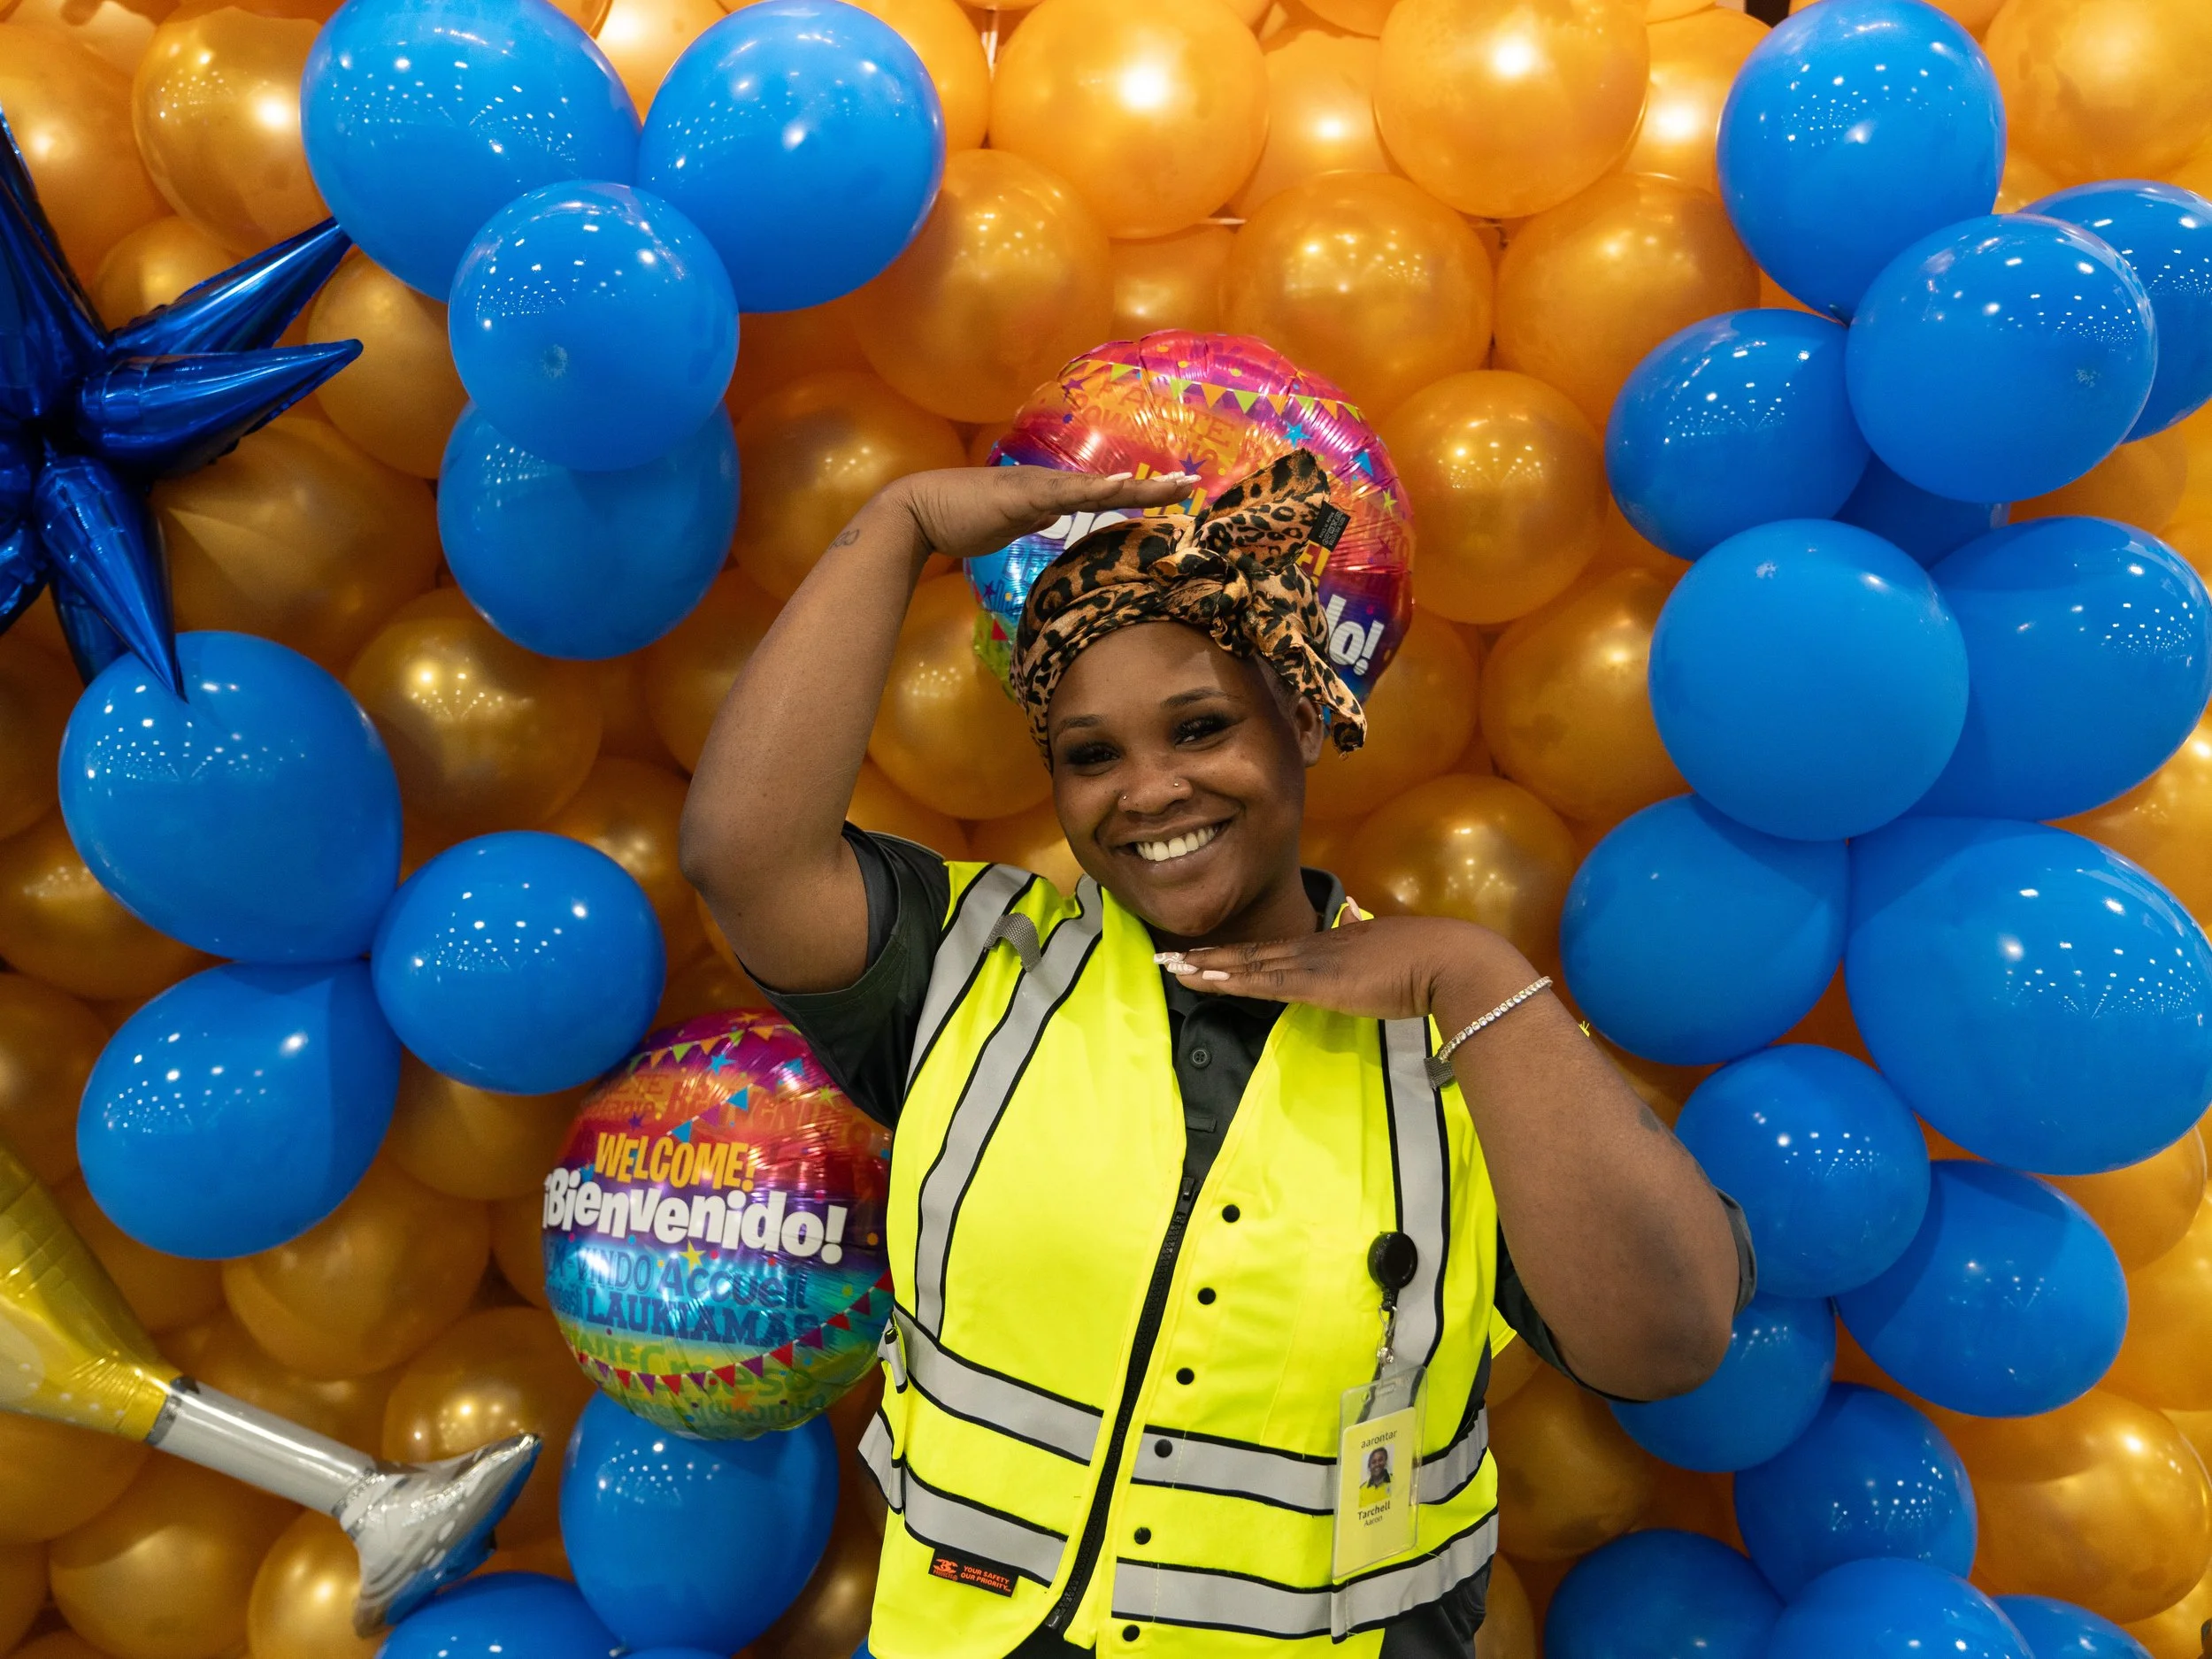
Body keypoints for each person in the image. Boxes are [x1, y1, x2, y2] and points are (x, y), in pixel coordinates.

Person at [681, 451, 1751, 1658]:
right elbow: (745, 855)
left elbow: (1669, 1341)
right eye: (1092, 754)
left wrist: (1476, 977)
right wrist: (899, 522)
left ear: (1299, 716)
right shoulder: (965, 962)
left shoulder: (1475, 1051)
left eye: (1200, 727)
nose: (1151, 789)